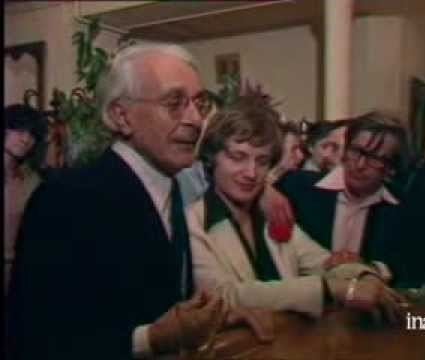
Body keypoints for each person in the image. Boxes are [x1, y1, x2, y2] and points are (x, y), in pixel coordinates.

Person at [7, 43, 273, 360]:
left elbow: (160, 301)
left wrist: (211, 318)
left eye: (198, 103)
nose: (195, 120)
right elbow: (36, 338)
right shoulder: (66, 199)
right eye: (174, 103)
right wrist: (151, 338)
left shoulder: (170, 189)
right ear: (122, 116)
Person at [187, 96, 406, 321]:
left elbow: (324, 262)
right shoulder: (193, 222)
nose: (251, 172)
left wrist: (364, 276)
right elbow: (223, 296)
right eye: (238, 157)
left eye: (262, 161)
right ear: (212, 157)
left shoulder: (270, 214)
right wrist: (329, 289)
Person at [275, 111, 425, 286]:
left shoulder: (405, 209)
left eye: (374, 158)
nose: (360, 165)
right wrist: (267, 193)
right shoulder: (297, 187)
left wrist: (375, 269)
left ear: (391, 168)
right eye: (357, 151)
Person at [4, 104, 48, 293]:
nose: (25, 139)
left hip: (20, 273)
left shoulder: (32, 180)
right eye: (19, 130)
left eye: (32, 135)